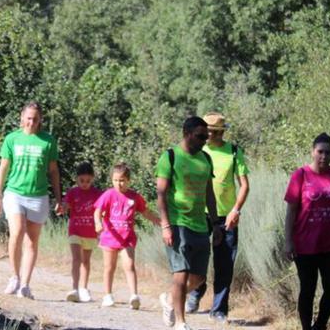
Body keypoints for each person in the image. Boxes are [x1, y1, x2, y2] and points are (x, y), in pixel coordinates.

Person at [0, 101, 63, 300]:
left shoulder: (48, 141)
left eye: (35, 119)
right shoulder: (12, 139)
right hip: (14, 192)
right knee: (17, 232)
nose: (31, 122)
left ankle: (25, 284)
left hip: (38, 195)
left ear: (40, 120)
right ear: (22, 118)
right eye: (28, 118)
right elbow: (3, 168)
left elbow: (54, 171)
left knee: (32, 241)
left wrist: (59, 198)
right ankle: (14, 276)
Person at [284, 133, 330, 330]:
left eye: (328, 152)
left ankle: (320, 324)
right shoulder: (301, 175)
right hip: (305, 245)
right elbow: (291, 210)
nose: (323, 156)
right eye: (320, 151)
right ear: (312, 152)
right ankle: (307, 327)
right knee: (308, 289)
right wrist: (287, 241)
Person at [155, 116, 219, 330]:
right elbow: (161, 194)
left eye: (206, 136)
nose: (205, 140)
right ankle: (181, 323)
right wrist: (165, 225)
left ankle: (169, 298)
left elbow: (210, 193)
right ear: (186, 133)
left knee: (199, 277)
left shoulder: (205, 159)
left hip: (200, 224)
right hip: (177, 223)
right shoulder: (170, 157)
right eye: (201, 136)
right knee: (180, 274)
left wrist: (216, 223)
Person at [186, 112, 251, 322]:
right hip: (199, 214)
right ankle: (196, 292)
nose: (209, 135)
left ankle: (219, 309)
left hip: (226, 217)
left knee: (224, 264)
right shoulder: (197, 150)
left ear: (222, 132)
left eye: (214, 132)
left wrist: (236, 210)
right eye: (206, 132)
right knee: (196, 259)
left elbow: (244, 185)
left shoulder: (233, 152)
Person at [94, 162, 160, 309]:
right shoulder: (109, 194)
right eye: (116, 180)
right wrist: (98, 223)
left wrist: (159, 221)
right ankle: (107, 295)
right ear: (112, 180)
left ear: (129, 180)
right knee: (109, 267)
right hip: (110, 237)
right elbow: (97, 211)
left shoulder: (134, 197)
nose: (119, 183)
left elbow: (145, 212)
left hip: (127, 238)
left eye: (122, 180)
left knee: (129, 265)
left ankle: (134, 296)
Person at [62, 162, 101, 303]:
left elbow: (103, 208)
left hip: (90, 232)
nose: (85, 184)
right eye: (81, 181)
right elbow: (66, 205)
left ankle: (84, 288)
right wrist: (62, 207)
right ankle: (74, 288)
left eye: (88, 181)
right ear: (76, 179)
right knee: (76, 259)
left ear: (93, 179)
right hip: (75, 231)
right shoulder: (72, 192)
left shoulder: (97, 193)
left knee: (85, 261)